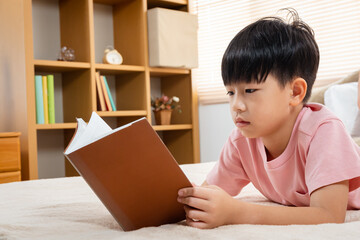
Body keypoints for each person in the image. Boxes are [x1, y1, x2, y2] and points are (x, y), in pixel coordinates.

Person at [177, 9, 360, 229]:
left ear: (295, 92)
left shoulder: (324, 131)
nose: (236, 105)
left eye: (250, 90)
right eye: (230, 92)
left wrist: (238, 212)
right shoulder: (240, 140)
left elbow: (329, 215)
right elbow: (209, 193)